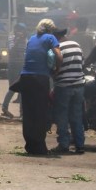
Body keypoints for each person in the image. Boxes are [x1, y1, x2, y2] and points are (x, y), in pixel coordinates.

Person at [17, 19, 62, 155]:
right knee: (40, 112)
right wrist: (57, 70)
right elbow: (58, 55)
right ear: (51, 29)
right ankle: (40, 147)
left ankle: (30, 146)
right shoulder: (51, 37)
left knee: (29, 113)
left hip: (25, 77)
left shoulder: (31, 38)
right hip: (40, 78)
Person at [51, 28, 86, 154]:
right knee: (77, 116)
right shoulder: (76, 45)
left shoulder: (57, 48)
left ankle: (64, 144)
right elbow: (82, 64)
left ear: (55, 37)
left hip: (63, 86)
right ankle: (80, 145)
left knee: (62, 116)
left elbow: (54, 67)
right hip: (79, 86)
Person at [1, 23, 27, 118]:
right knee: (12, 87)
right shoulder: (11, 38)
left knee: (23, 88)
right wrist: (17, 41)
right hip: (13, 66)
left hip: (22, 66)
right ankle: (4, 108)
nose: (20, 32)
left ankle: (22, 113)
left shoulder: (26, 41)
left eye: (22, 30)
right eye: (18, 30)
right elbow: (11, 50)